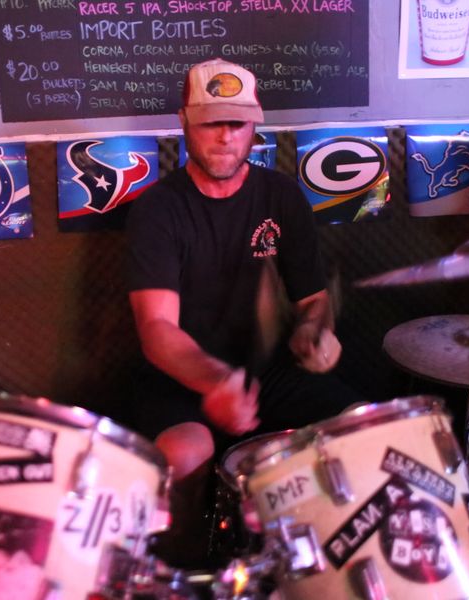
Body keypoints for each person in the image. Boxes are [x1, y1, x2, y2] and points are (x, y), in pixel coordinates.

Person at [126, 58, 360, 567]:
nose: (226, 137)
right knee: (184, 453)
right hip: (181, 377)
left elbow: (313, 301)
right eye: (211, 122)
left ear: (255, 125)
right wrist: (217, 381)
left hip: (269, 371)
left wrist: (314, 333)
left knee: (356, 431)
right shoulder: (158, 209)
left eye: (238, 123)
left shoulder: (281, 196)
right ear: (183, 121)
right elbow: (157, 328)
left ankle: (324, 568)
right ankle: (182, 569)